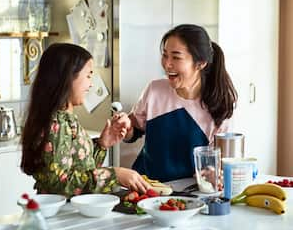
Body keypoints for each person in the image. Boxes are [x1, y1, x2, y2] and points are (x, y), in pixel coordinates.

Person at [20, 43, 150, 198]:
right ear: (67, 77)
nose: (91, 84)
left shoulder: (66, 119)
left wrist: (102, 144)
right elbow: (60, 184)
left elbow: (79, 169)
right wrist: (114, 174)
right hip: (62, 214)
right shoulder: (56, 124)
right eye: (88, 75)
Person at [113, 24, 238, 182]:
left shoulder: (220, 106)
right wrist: (125, 126)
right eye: (165, 55)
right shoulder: (155, 90)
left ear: (200, 63)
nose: (167, 64)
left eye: (176, 57)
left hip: (189, 193)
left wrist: (214, 173)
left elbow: (219, 164)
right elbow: (135, 129)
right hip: (146, 187)